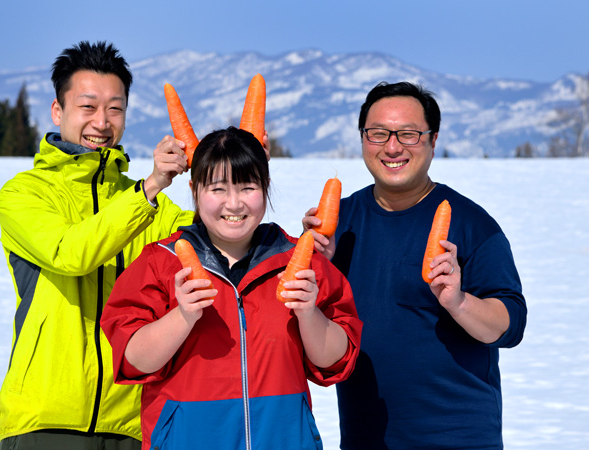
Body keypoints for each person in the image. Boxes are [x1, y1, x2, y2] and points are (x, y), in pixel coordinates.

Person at [101, 127, 363, 450]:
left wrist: (309, 314)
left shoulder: (301, 261)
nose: (234, 203)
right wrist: (182, 317)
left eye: (247, 187)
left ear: (265, 187)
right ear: (195, 189)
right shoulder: (160, 263)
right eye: (218, 188)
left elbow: (335, 361)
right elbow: (132, 359)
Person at [303, 81, 527, 449]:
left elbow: (510, 326)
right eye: (378, 134)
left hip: (458, 438)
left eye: (408, 134)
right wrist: (315, 268)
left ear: (433, 140)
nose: (392, 147)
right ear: (363, 139)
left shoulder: (472, 224)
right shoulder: (339, 223)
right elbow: (317, 330)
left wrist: (459, 301)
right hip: (365, 439)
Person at [0, 41, 196, 450]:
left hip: (130, 422)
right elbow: (71, 253)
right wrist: (150, 188)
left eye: (115, 108)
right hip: (46, 421)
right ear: (58, 111)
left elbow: (217, 247)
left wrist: (231, 171)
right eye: (88, 107)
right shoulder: (25, 194)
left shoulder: (149, 205)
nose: (101, 122)